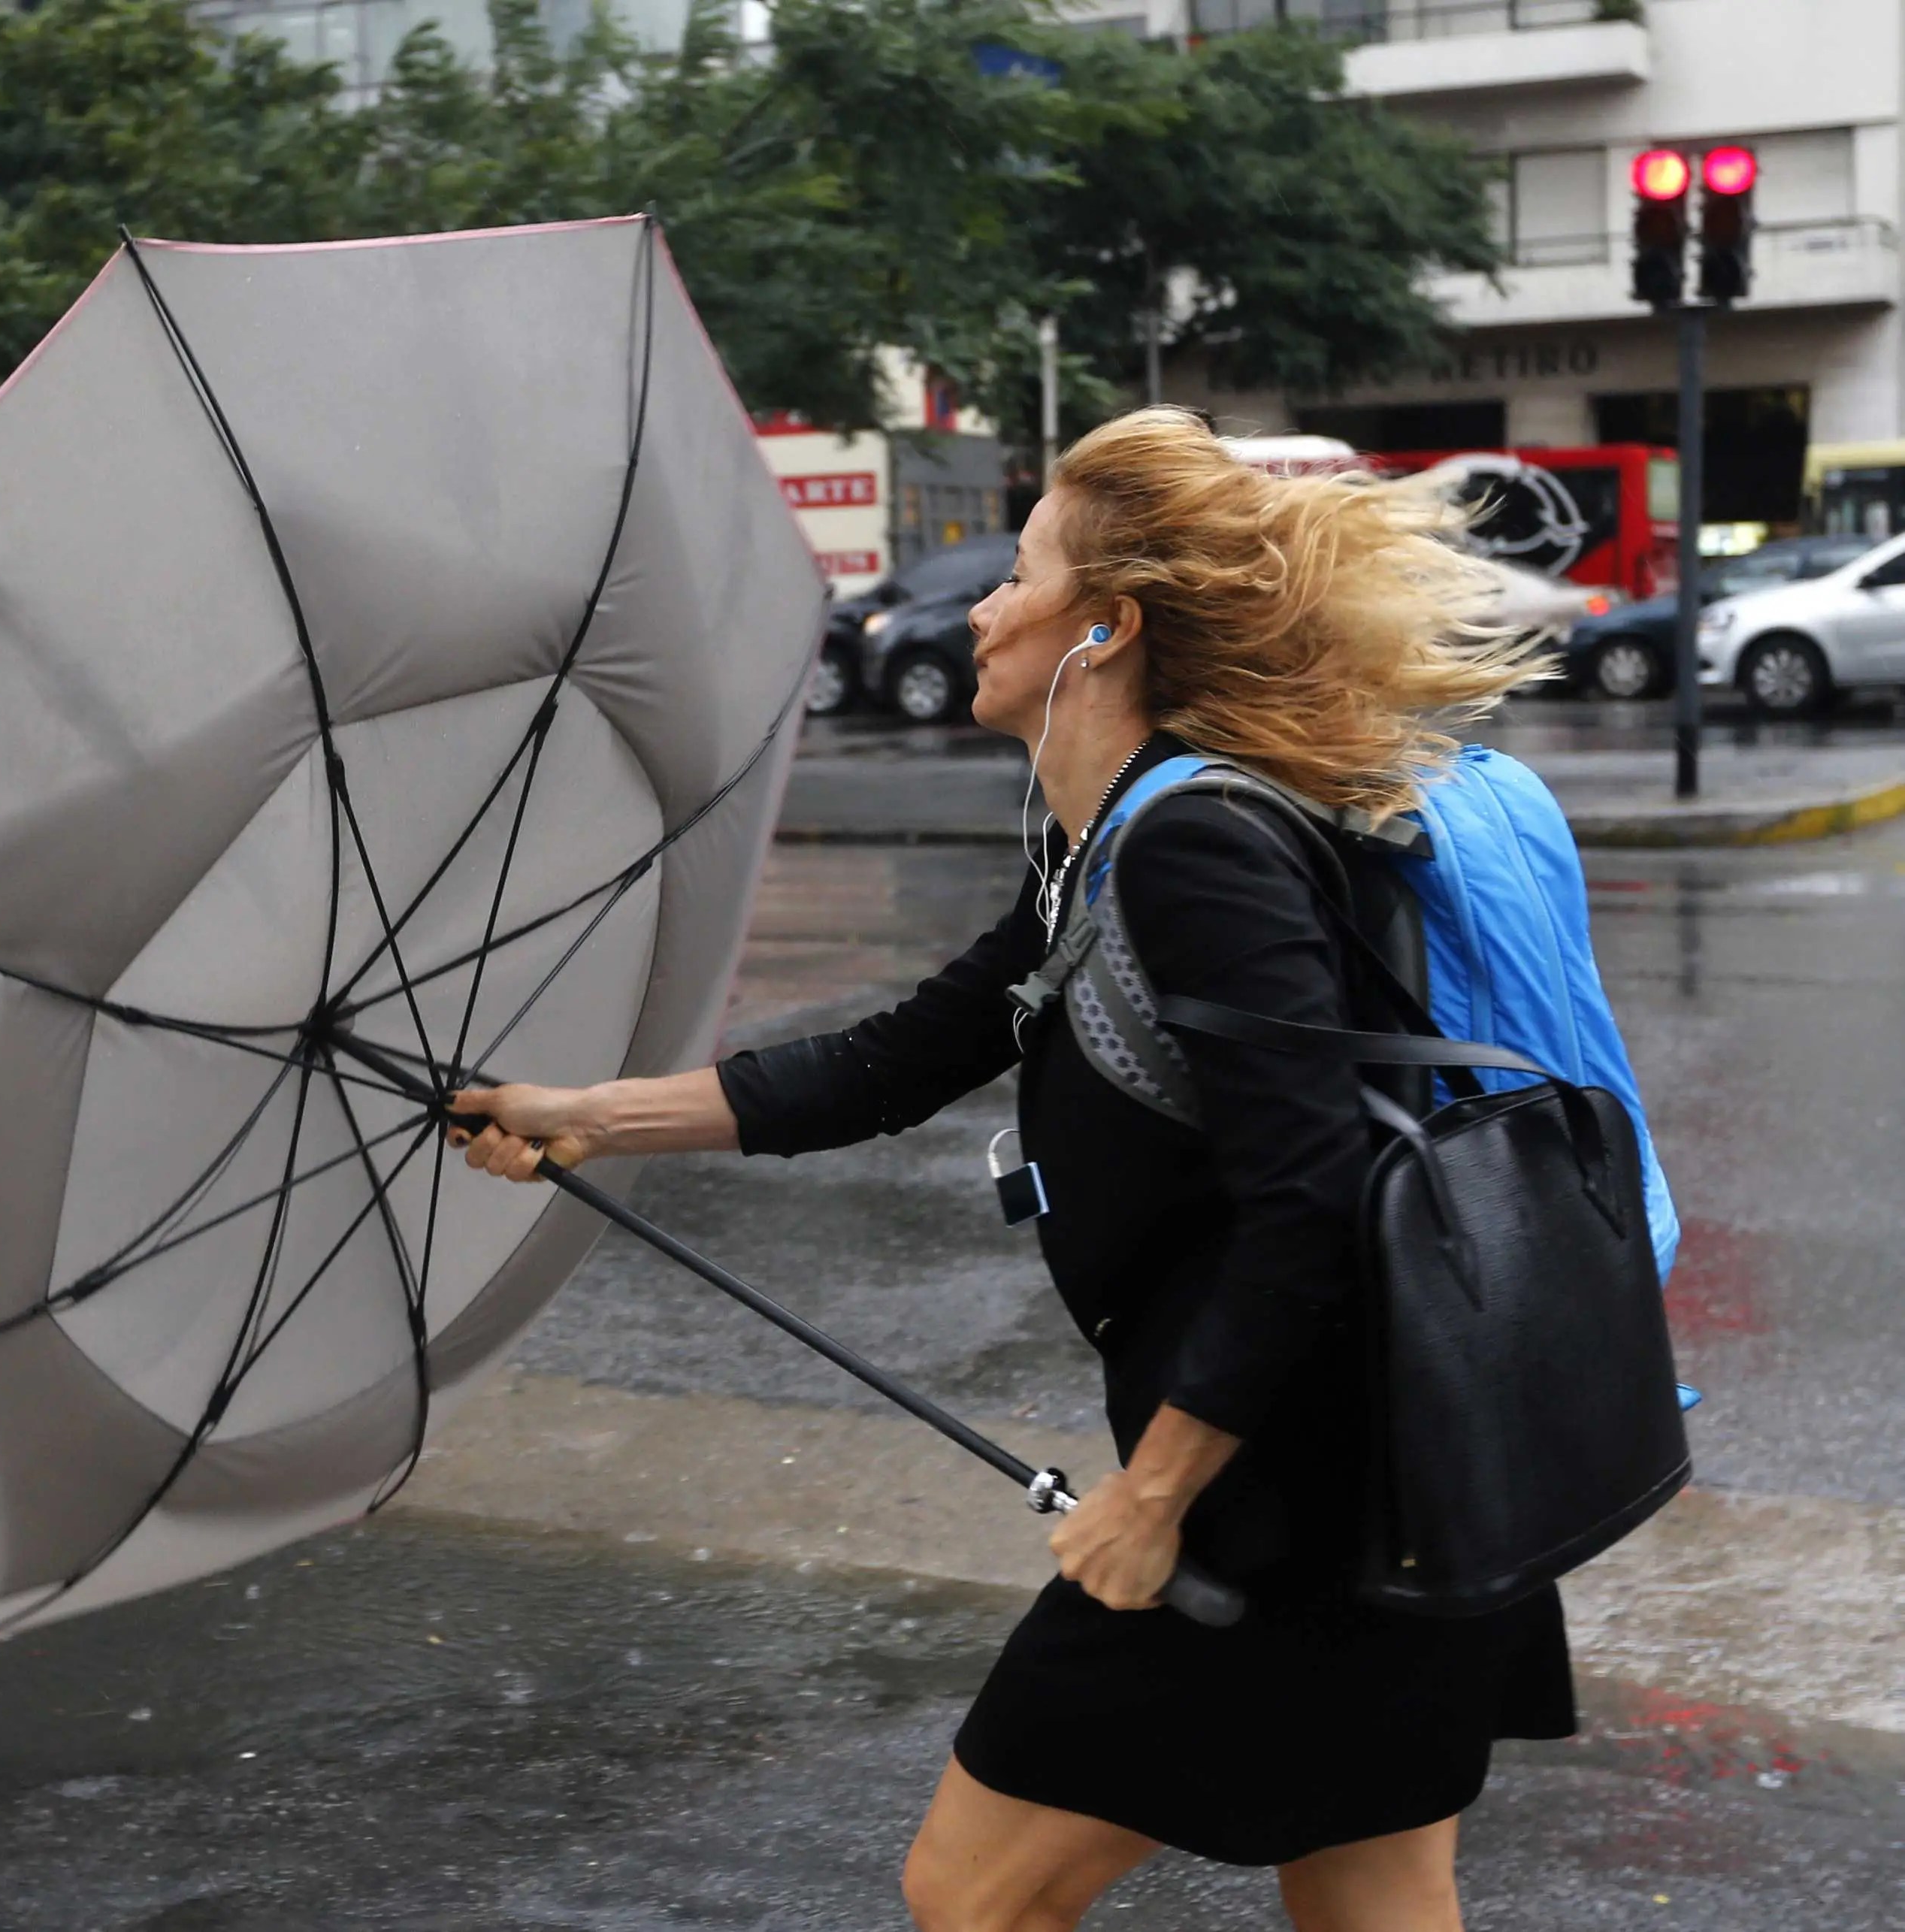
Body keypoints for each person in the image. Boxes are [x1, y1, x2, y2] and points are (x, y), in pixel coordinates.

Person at [446, 408, 1577, 1932]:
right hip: (1396, 1473)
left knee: (973, 1890)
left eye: (1017, 572)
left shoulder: (1193, 848)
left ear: (1100, 629)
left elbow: (1303, 1198)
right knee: (1370, 1894)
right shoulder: (1107, 844)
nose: (975, 602)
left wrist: (1152, 1492)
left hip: (1297, 1501)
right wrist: (584, 1112)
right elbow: (889, 1061)